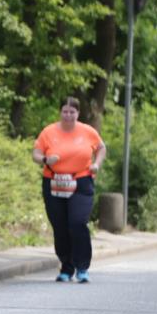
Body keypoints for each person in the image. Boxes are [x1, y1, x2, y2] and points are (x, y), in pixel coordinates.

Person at [32, 97, 107, 283]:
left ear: (78, 113)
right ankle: (66, 266)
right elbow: (36, 153)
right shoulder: (49, 132)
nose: (68, 115)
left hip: (81, 181)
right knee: (60, 225)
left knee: (77, 222)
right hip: (54, 181)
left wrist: (96, 164)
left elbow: (101, 148)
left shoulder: (87, 131)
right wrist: (45, 160)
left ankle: (82, 267)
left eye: (72, 112)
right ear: (60, 113)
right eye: (64, 111)